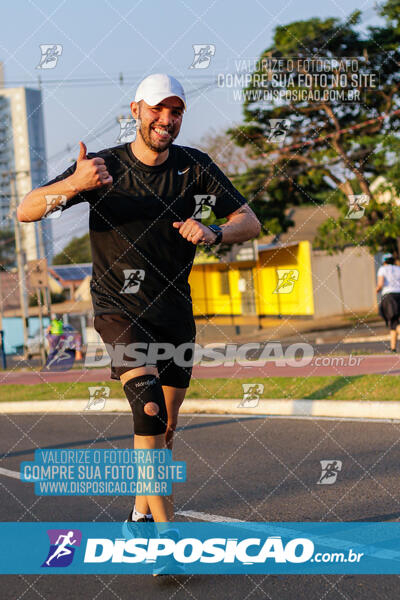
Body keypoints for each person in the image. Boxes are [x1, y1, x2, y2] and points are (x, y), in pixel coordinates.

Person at [18, 73, 261, 526]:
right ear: (136, 111)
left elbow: (250, 222)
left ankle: (140, 513)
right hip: (118, 310)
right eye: (156, 109)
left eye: (175, 112)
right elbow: (26, 209)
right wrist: (74, 183)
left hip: (173, 313)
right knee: (148, 410)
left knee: (165, 428)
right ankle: (167, 545)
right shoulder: (102, 167)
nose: (165, 119)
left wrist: (213, 232)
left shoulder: (196, 166)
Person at [376, 252, 400, 352]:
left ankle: (393, 348)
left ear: (384, 261)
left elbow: (381, 284)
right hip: (399, 294)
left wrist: (376, 290)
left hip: (389, 296)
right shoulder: (398, 268)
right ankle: (393, 348)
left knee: (394, 321)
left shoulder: (382, 269)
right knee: (394, 323)